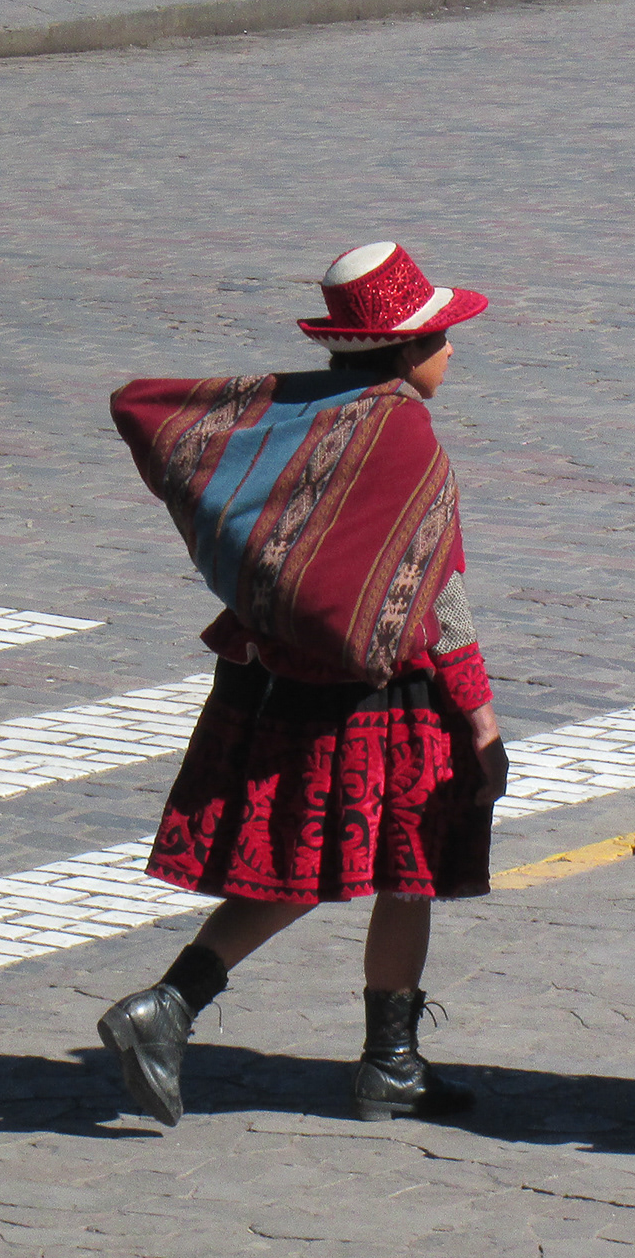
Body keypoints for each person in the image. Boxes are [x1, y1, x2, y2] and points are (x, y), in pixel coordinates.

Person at [97, 242, 509, 1127]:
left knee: (378, 865)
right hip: (384, 697)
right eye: (441, 336)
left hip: (287, 681)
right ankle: (169, 1006)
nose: (451, 351)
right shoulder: (399, 430)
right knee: (363, 862)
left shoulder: (306, 409)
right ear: (406, 350)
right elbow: (440, 592)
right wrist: (479, 715)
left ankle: (389, 1061)